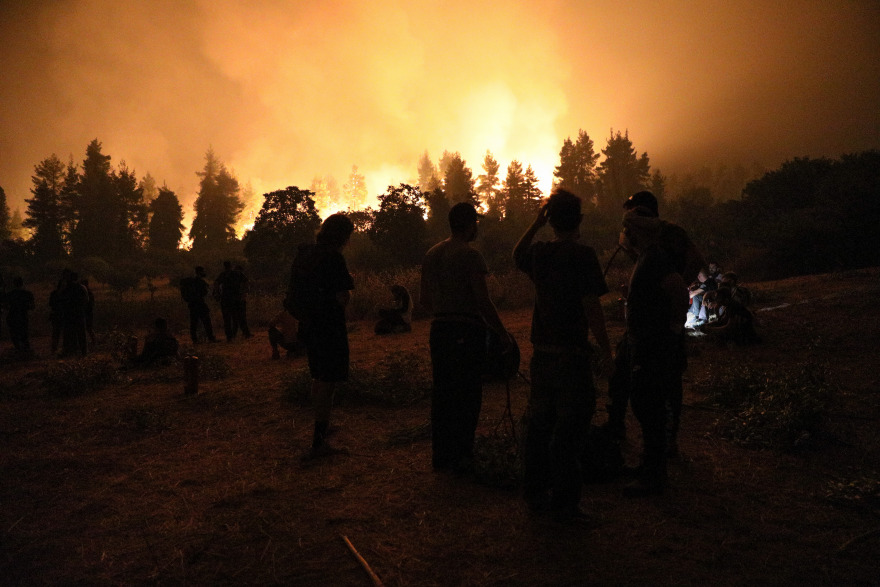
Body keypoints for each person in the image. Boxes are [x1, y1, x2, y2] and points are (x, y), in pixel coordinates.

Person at [513, 190, 612, 521]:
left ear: (550, 221)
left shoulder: (540, 253)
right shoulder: (583, 256)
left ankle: (535, 492)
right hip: (572, 357)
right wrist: (606, 350)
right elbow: (591, 306)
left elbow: (517, 254)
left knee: (540, 426)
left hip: (542, 356)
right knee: (570, 430)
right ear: (579, 220)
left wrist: (535, 224)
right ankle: (567, 503)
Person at [604, 191, 701, 455]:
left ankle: (665, 441)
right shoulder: (644, 244)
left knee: (666, 381)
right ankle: (616, 426)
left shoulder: (668, 234)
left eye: (632, 213)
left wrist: (672, 289)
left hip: (661, 324)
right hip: (642, 324)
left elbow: (695, 261)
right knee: (623, 370)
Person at [420, 202, 513, 475]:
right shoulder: (470, 256)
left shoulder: (432, 254)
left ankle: (442, 455)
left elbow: (424, 301)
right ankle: (463, 454)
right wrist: (502, 333)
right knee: (468, 393)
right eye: (476, 223)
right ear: (470, 224)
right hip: (466, 330)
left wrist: (444, 309)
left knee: (443, 392)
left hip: (439, 330)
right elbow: (482, 301)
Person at [619, 207, 690, 496]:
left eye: (627, 230)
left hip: (653, 345)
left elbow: (678, 289)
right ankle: (649, 466)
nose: (624, 236)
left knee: (649, 406)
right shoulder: (647, 259)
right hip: (647, 342)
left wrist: (674, 325)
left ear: (635, 232)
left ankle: (654, 476)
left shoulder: (655, 259)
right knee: (645, 405)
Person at [290, 213, 356, 459]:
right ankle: (319, 442)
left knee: (318, 377)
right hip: (330, 327)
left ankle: (322, 425)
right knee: (328, 382)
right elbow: (342, 296)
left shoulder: (305, 254)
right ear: (343, 236)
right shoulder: (333, 257)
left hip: (309, 325)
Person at [180, 266, 217, 344]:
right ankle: (210, 338)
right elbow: (205, 292)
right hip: (200, 304)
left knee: (194, 323)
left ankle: (195, 340)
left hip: (192, 304)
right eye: (203, 271)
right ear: (200, 272)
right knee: (206, 321)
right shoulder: (200, 282)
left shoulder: (190, 282)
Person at [214, 261, 248, 341]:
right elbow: (246, 281)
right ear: (231, 266)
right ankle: (233, 334)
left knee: (227, 319)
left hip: (225, 299)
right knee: (235, 317)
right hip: (235, 299)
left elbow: (216, 283)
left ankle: (229, 336)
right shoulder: (236, 274)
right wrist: (243, 293)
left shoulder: (223, 275)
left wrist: (217, 293)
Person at [60, 271, 89, 357]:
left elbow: (61, 299)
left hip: (69, 314)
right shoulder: (82, 287)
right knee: (81, 333)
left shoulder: (66, 288)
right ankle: (84, 352)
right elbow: (86, 300)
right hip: (79, 313)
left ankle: (71, 351)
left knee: (70, 333)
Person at [5, 276, 36, 355]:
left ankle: (19, 350)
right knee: (24, 334)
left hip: (12, 316)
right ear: (22, 283)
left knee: (14, 335)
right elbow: (32, 307)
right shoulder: (28, 294)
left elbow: (6, 306)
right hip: (23, 316)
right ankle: (25, 351)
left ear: (13, 284)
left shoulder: (9, 294)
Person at [81, 278, 97, 344]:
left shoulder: (88, 293)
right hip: (89, 312)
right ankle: (93, 341)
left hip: (88, 312)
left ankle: (94, 341)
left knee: (89, 328)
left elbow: (90, 304)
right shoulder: (89, 292)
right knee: (89, 328)